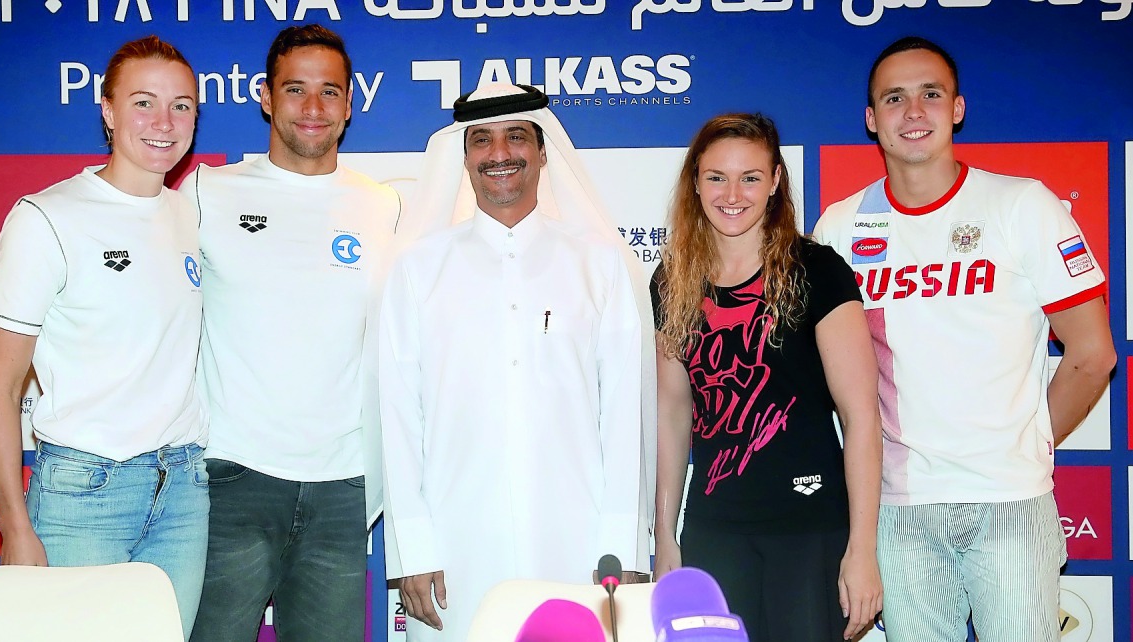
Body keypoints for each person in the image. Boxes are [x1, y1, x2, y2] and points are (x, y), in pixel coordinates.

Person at [813, 36, 1116, 642]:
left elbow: (1092, 353)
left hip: (1009, 499)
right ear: (872, 120)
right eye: (894, 99)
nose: (914, 111)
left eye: (931, 94)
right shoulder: (840, 226)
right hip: (897, 505)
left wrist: (1022, 442)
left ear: (958, 108)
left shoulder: (1022, 205)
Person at [379, 83, 655, 642]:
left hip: (577, 545)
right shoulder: (418, 269)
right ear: (464, 156)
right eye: (481, 140)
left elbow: (624, 417)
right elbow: (398, 418)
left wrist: (620, 544)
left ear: (543, 150)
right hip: (456, 548)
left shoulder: (598, 265)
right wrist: (413, 546)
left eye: (515, 137)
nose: (499, 153)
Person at [0, 36, 208, 639]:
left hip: (183, 491)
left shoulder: (190, 213)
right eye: (144, 102)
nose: (164, 123)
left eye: (182, 106)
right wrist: (15, 527)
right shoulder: (47, 218)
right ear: (106, 110)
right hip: (85, 494)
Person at [182, 25, 399, 642]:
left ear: (350, 102)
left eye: (329, 91)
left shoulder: (383, 206)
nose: (312, 108)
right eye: (295, 89)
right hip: (232, 479)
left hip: (344, 488)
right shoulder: (207, 192)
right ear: (265, 97)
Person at [650, 114, 883, 642]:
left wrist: (861, 549)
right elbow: (671, 414)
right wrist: (665, 535)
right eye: (716, 177)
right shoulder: (671, 281)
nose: (733, 194)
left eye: (750, 177)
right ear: (694, 181)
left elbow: (862, 416)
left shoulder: (817, 270)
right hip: (714, 532)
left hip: (809, 530)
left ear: (776, 180)